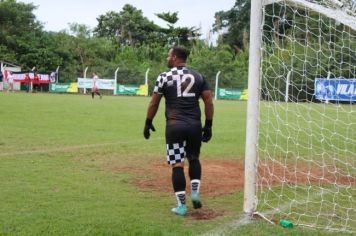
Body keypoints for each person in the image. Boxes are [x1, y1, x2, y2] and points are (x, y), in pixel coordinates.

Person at [143, 46, 214, 216]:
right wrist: (209, 124)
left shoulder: (164, 77)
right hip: (195, 125)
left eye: (168, 55)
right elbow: (209, 102)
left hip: (174, 126)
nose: (167, 58)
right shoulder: (198, 76)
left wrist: (148, 122)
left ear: (174, 57)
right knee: (194, 158)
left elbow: (154, 103)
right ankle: (195, 193)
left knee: (177, 165)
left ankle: (181, 206)